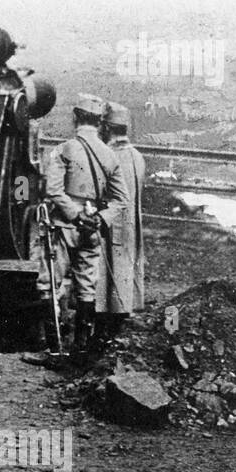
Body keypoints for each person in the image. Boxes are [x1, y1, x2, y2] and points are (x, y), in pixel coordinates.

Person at [33, 93, 130, 357]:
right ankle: (81, 350)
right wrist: (98, 218)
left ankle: (54, 350)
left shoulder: (64, 149)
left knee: (48, 284)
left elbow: (53, 190)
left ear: (75, 117)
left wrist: (75, 215)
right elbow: (122, 200)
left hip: (64, 226)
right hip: (92, 229)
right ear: (100, 122)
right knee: (86, 286)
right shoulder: (110, 155)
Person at [95, 101, 145, 344]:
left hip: (111, 226)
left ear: (107, 128)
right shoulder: (137, 156)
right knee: (124, 273)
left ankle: (103, 331)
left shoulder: (109, 156)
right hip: (130, 227)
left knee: (107, 278)